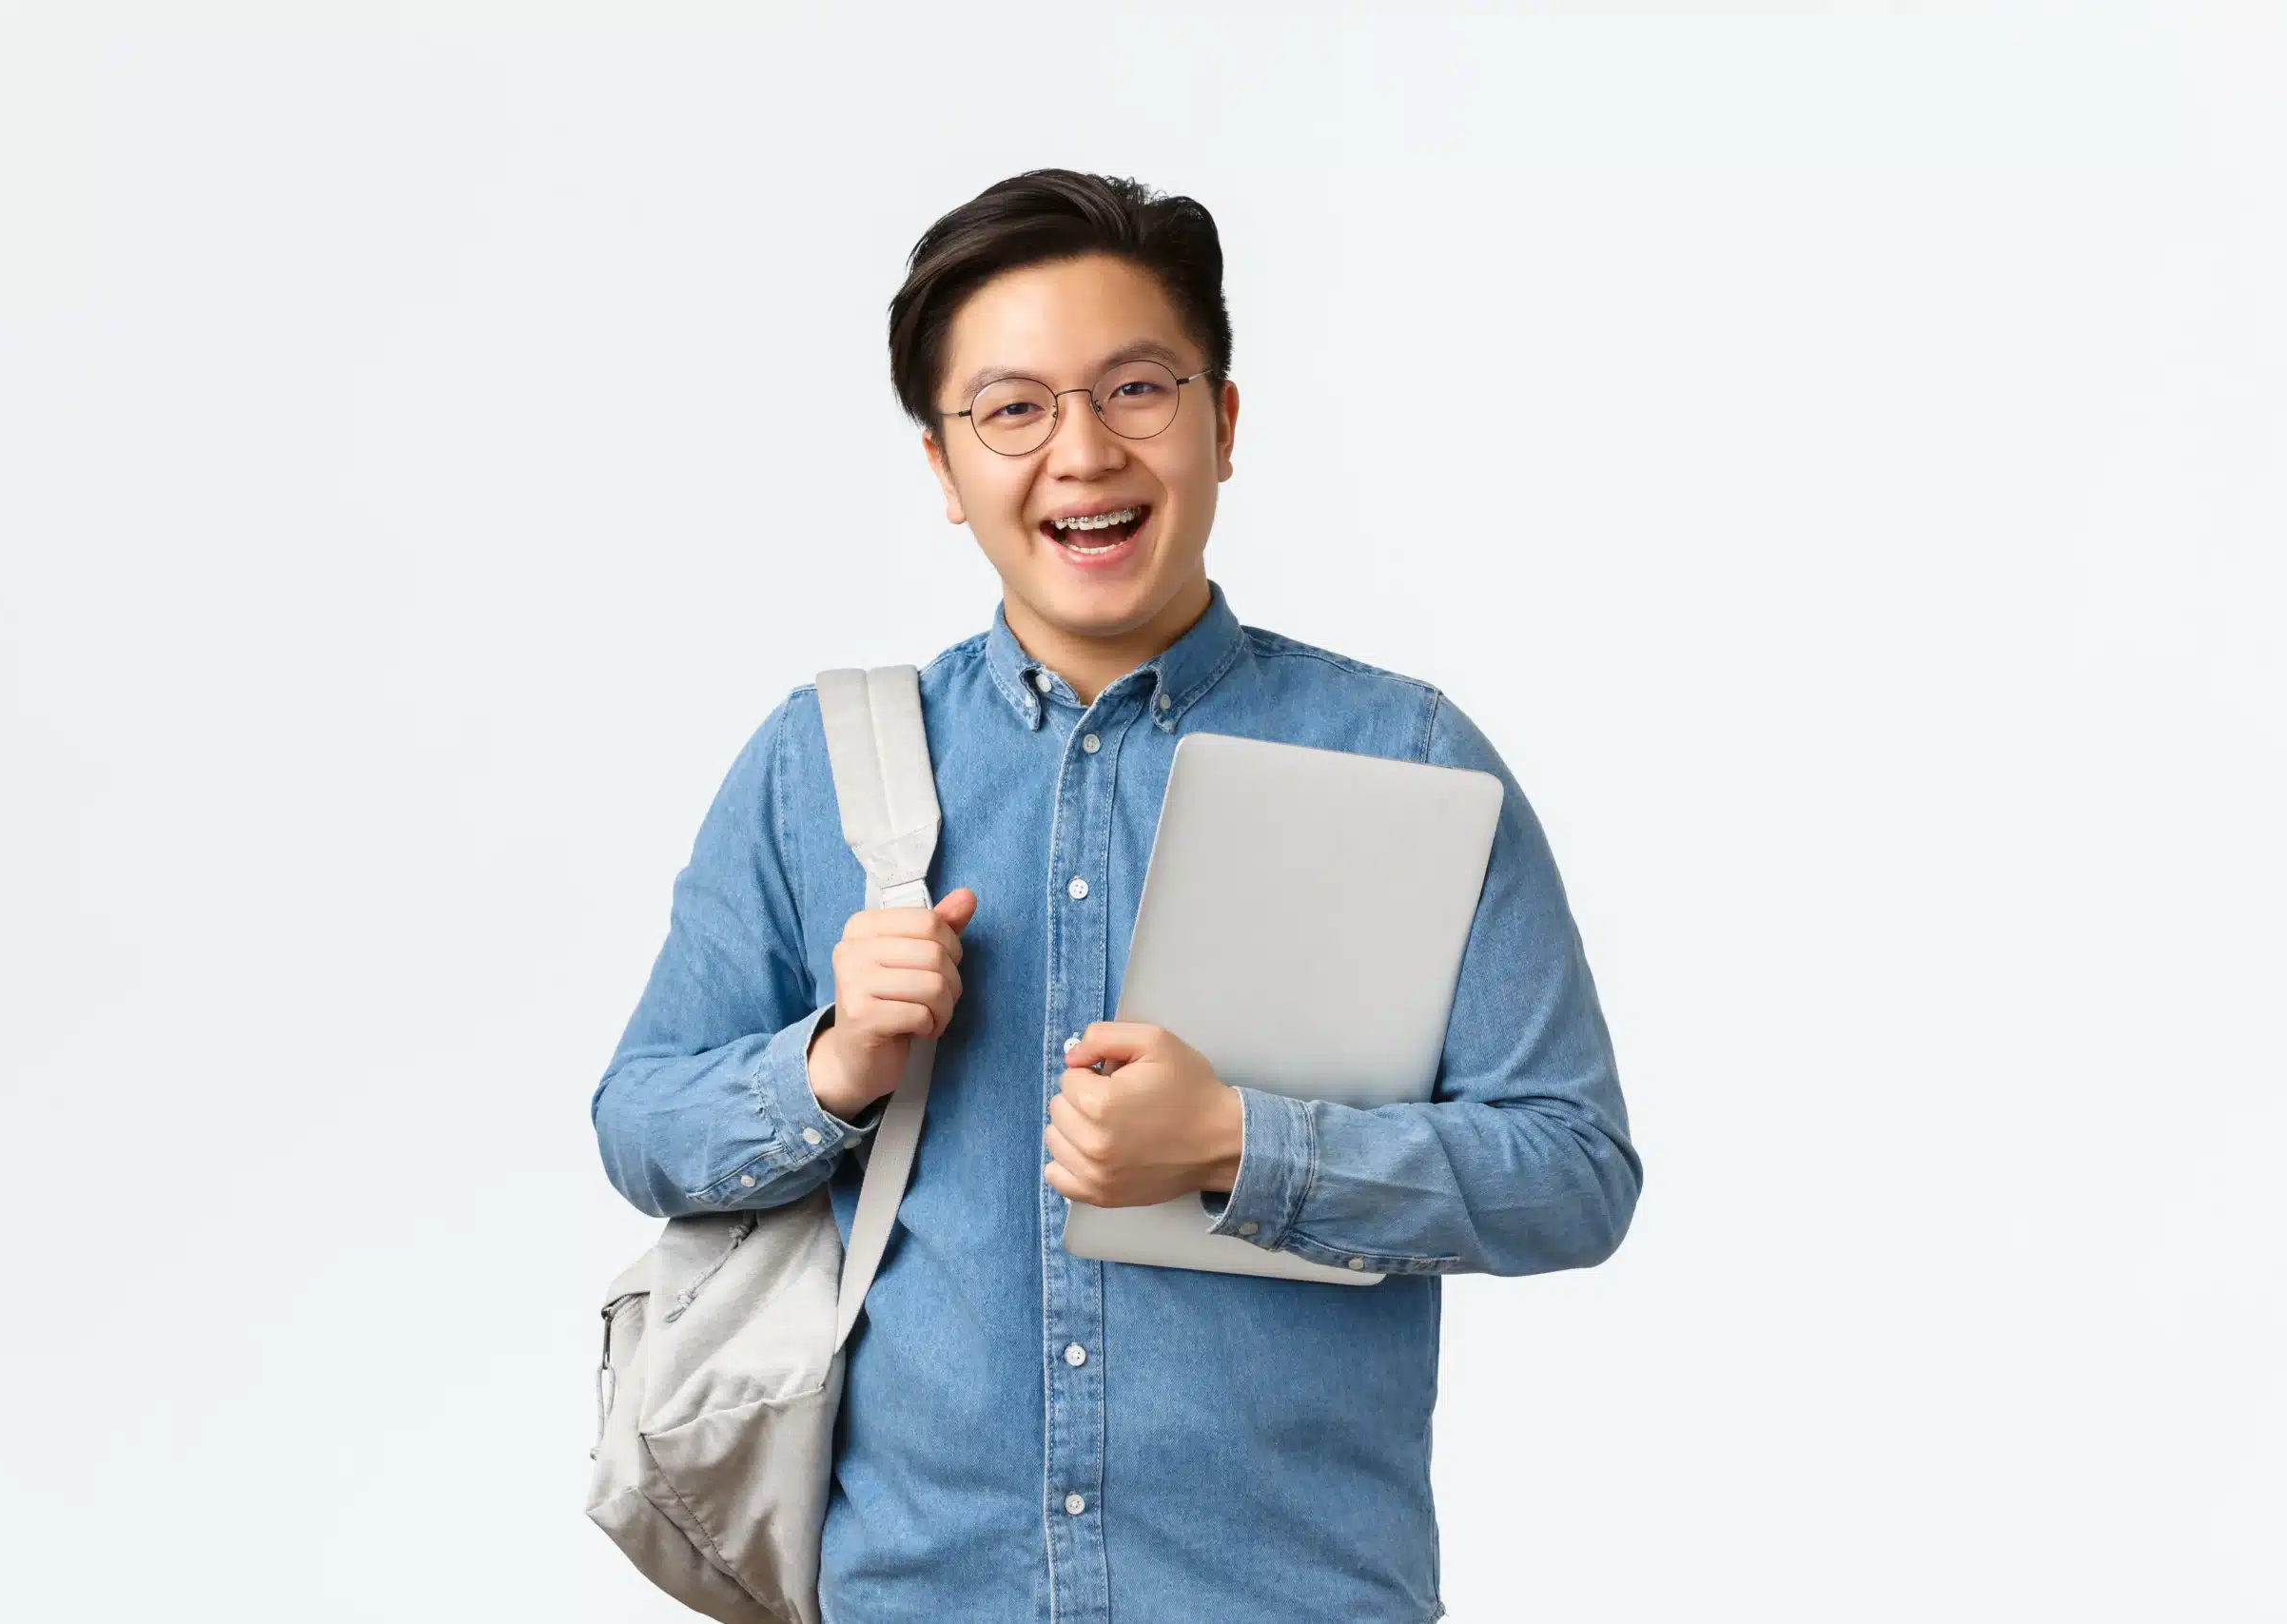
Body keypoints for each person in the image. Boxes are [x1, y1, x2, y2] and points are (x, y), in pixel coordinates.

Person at [592, 167, 1642, 1624]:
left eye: (1136, 388)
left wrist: (1240, 1144)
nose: (1082, 452)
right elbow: (638, 1121)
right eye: (1012, 408)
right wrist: (826, 1067)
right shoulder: (817, 765)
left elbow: (1575, 1169)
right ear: (945, 470)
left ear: (1221, 420)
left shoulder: (1401, 758)